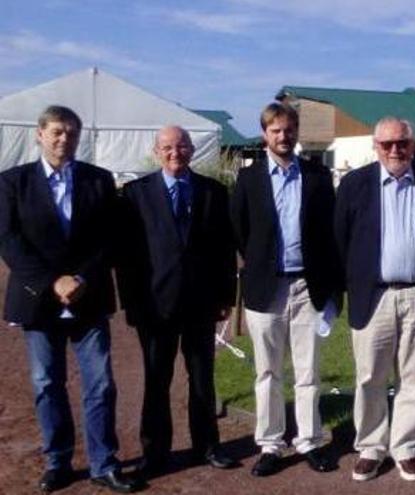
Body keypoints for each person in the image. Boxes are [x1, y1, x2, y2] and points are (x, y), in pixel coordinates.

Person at [0, 106, 140, 493]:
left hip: (88, 296)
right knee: (47, 383)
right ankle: (57, 461)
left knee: (101, 384)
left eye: (72, 134)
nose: (65, 140)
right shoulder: (13, 182)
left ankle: (103, 463)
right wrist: (52, 281)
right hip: (37, 299)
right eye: (58, 132)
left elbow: (109, 238)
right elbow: (10, 241)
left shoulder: (98, 180)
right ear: (39, 134)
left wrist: (80, 277)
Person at [117, 126, 238, 476]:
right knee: (157, 380)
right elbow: (127, 259)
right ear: (157, 151)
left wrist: (225, 297)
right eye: (168, 147)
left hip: (201, 304)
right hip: (156, 306)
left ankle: (208, 446)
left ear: (191, 149)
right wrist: (132, 305)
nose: (176, 153)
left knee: (202, 378)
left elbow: (224, 251)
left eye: (182, 146)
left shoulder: (213, 191)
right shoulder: (135, 194)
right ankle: (154, 453)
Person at [334, 117, 415, 482]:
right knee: (370, 376)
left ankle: (407, 446)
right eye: (387, 144)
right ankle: (370, 446)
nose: (395, 150)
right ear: (375, 146)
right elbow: (340, 239)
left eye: (402, 143)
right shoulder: (354, 184)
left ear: (413, 145)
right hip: (373, 295)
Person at [231, 102, 340, 476]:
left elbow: (330, 235)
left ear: (297, 132)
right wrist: (261, 264)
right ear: (265, 134)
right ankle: (271, 444)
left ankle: (309, 440)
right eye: (276, 130)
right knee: (268, 372)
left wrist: (332, 291)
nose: (283, 136)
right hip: (266, 288)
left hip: (307, 286)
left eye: (289, 129)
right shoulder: (249, 180)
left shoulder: (317, 176)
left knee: (308, 371)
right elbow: (240, 232)